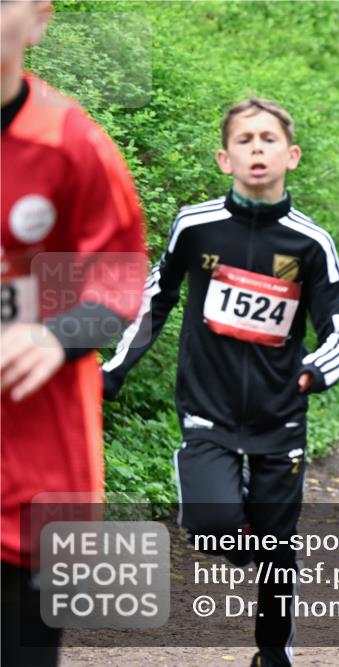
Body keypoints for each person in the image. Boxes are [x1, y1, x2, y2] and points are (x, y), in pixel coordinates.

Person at [102, 98, 339, 667]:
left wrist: (315, 371)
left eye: (268, 139)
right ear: (225, 158)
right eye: (244, 140)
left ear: (290, 155)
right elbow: (154, 301)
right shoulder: (195, 227)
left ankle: (272, 654)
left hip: (280, 416)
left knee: (276, 550)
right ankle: (237, 524)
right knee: (213, 526)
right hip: (207, 409)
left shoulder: (310, 244)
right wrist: (112, 373)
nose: (257, 148)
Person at [1, 2, 148, 664]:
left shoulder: (70, 145)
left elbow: (116, 285)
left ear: (38, 19)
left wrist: (50, 336)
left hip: (33, 479)